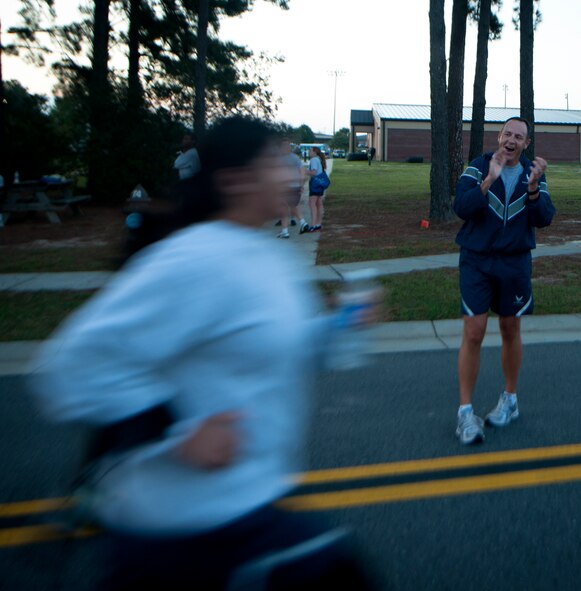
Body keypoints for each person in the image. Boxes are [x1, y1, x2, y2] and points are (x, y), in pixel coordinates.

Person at [29, 116, 376, 590]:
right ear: (233, 181)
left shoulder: (265, 256)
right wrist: (176, 432)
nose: (291, 171)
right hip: (179, 530)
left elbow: (278, 346)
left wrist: (339, 325)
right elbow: (73, 363)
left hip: (245, 506)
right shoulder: (193, 260)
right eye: (275, 161)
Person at [452, 116, 556, 445]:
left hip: (514, 263)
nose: (512, 140)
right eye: (507, 134)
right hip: (477, 260)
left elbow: (545, 218)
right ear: (499, 137)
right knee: (474, 330)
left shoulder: (533, 173)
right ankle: (466, 412)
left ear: (526, 144)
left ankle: (510, 399)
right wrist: (487, 181)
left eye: (519, 137)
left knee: (511, 329)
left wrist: (534, 189)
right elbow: (461, 208)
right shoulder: (477, 166)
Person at [277, 140, 309, 238]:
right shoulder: (296, 158)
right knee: (293, 206)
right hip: (295, 187)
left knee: (283, 208)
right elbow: (302, 172)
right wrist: (301, 185)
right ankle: (303, 222)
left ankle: (285, 231)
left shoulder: (279, 159)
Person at [306, 146, 327, 232]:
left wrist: (304, 171)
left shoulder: (314, 160)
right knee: (319, 203)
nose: (309, 152)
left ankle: (313, 224)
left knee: (312, 204)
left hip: (314, 183)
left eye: (310, 150)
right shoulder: (319, 159)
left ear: (315, 152)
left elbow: (313, 172)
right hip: (320, 183)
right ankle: (318, 223)